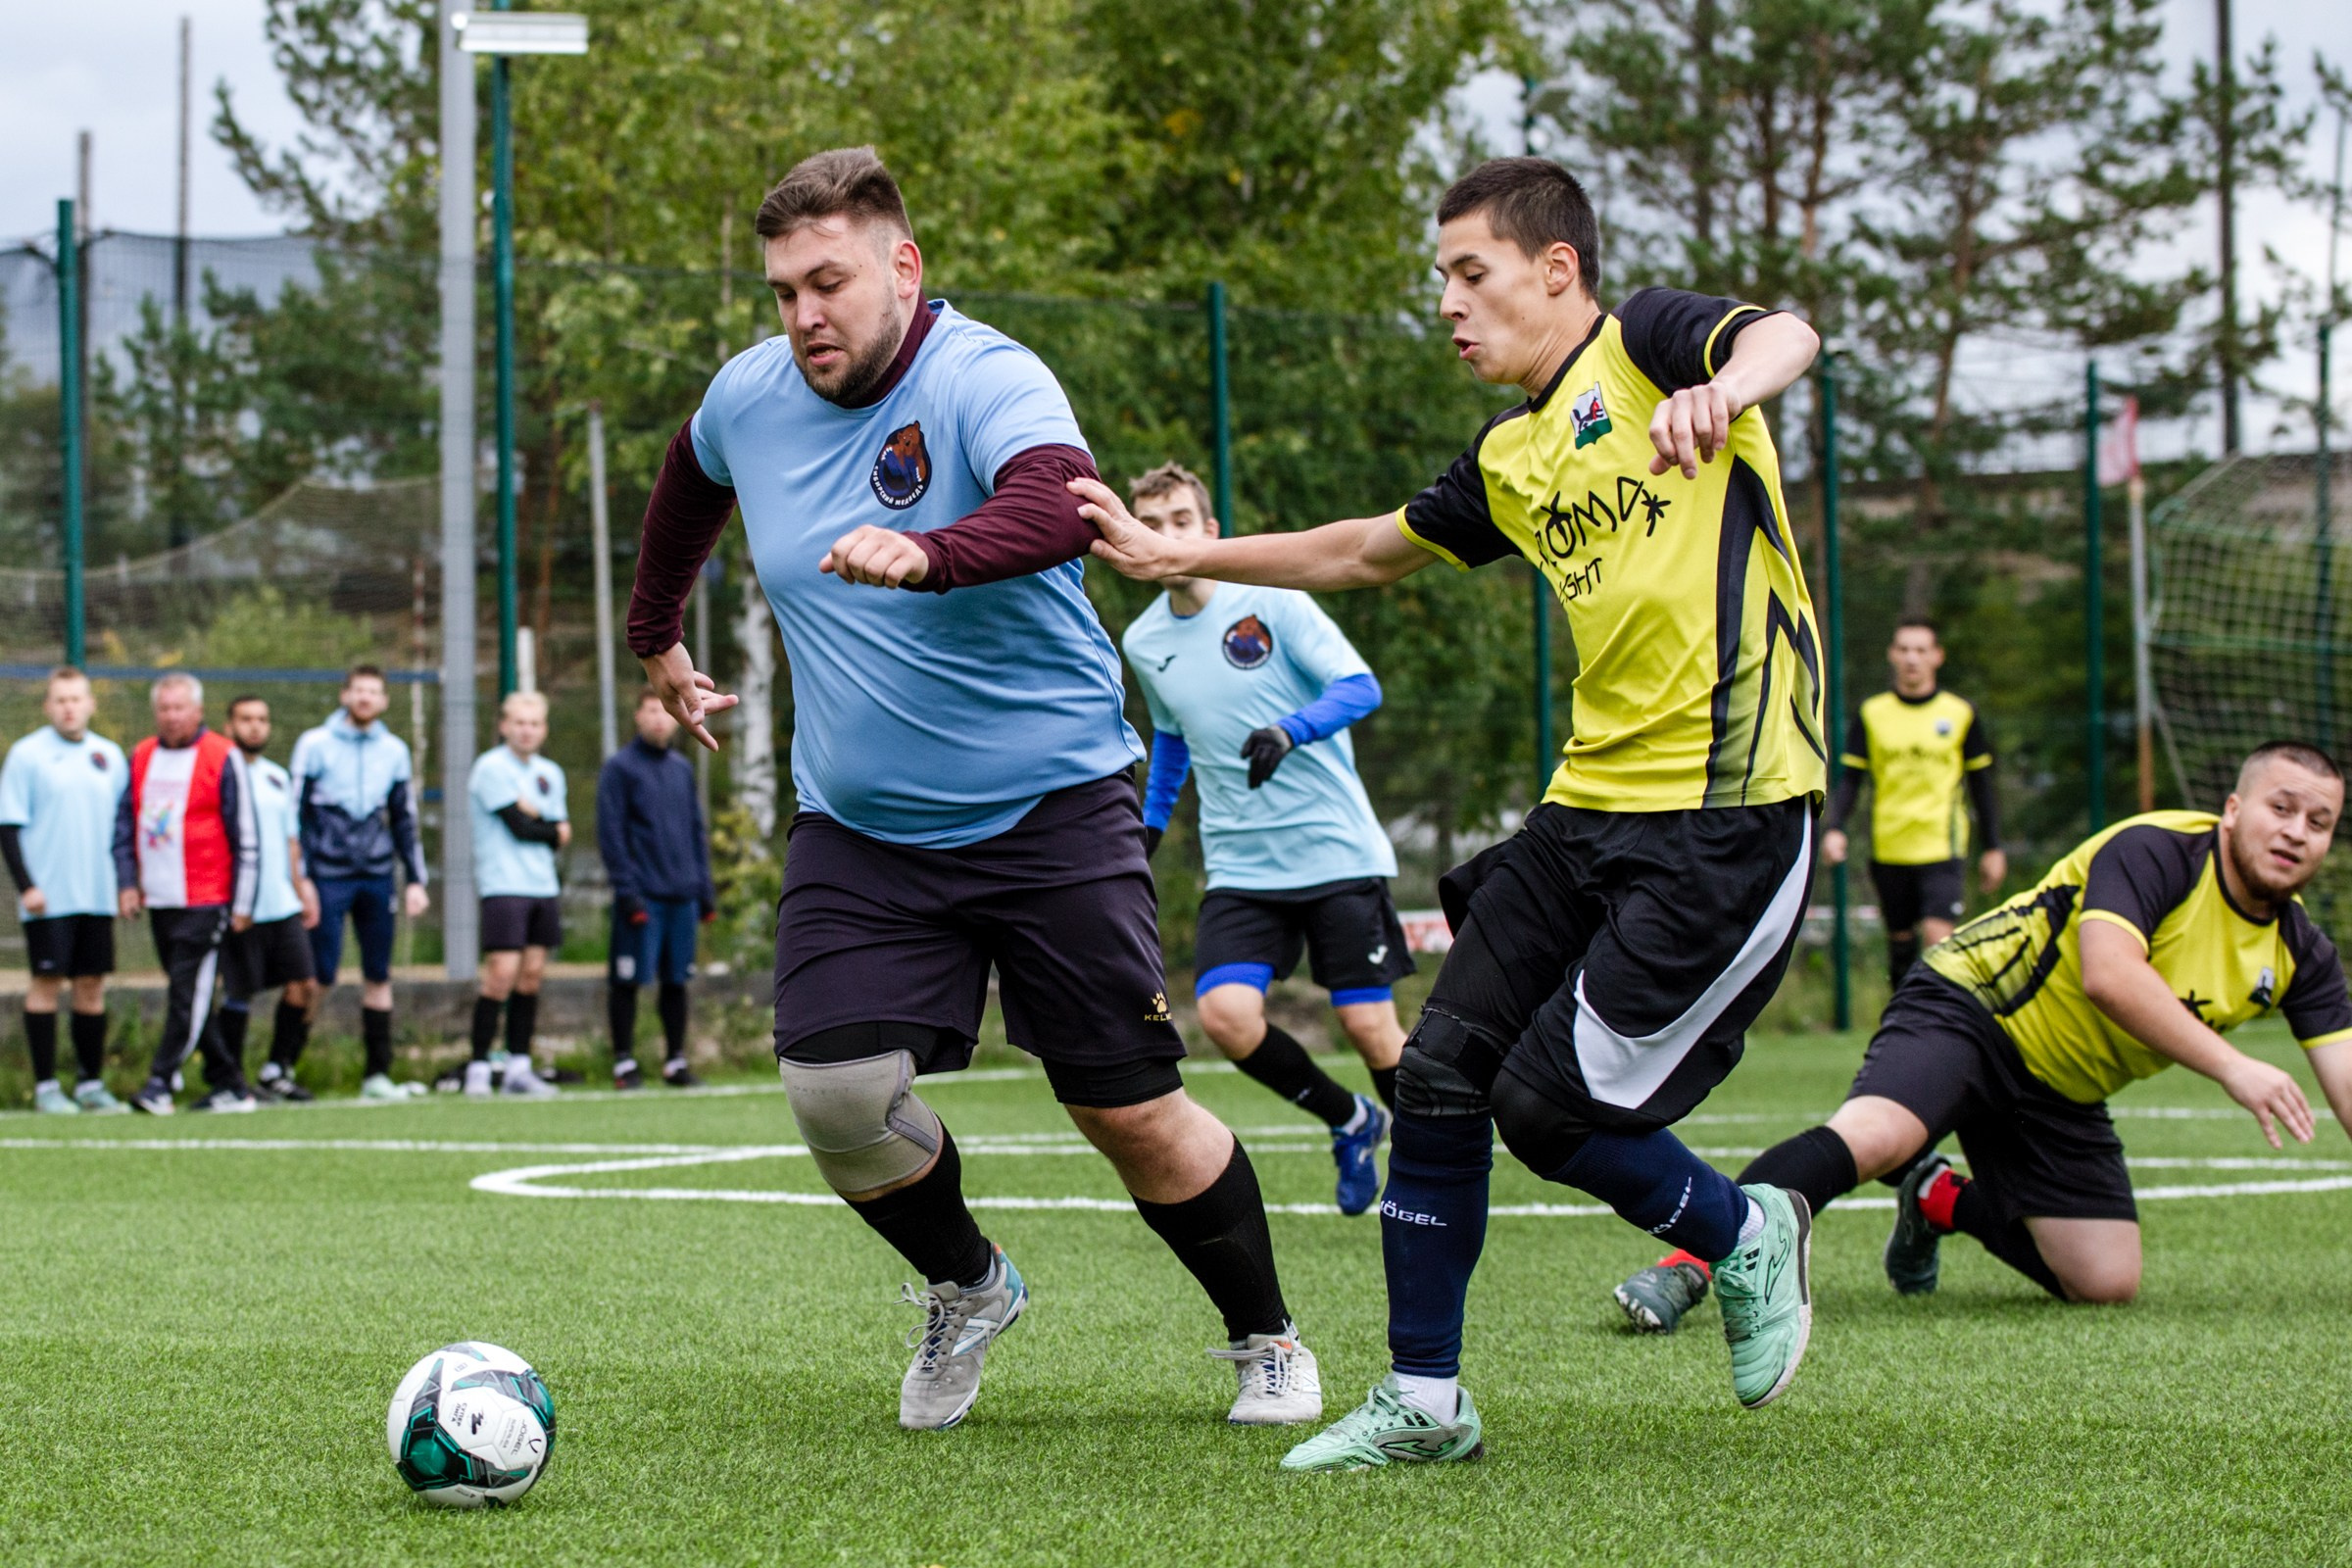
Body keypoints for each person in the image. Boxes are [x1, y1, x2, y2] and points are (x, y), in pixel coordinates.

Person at [1074, 155, 1829, 1469]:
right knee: (1436, 1075)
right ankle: (1424, 1400)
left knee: (1547, 1108)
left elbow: (1789, 334)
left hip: (1729, 812)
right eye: (1441, 278)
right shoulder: (1513, 453)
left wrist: (1728, 387)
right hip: (1584, 810)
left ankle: (1746, 1231)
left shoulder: (1649, 345)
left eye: (1471, 273)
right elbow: (1365, 549)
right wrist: (1185, 553)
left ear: (1557, 269)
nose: (1448, 303)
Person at [630, 146, 1321, 1433]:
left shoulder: (985, 375)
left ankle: (1266, 1337)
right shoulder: (750, 396)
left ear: (903, 266)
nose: (803, 315)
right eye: (783, 291)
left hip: (1052, 804)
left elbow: (1060, 507)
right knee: (835, 1095)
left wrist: (930, 551)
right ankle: (970, 1285)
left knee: (1127, 1109)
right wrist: (654, 636)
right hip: (862, 828)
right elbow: (687, 481)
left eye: (828, 282)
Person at [1613, 742, 2352, 1327]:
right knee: (1877, 1137)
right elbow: (2110, 975)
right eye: (2281, 808)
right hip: (1971, 1008)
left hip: (2060, 1089)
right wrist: (2234, 1066)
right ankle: (1692, 1262)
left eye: (2318, 823)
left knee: (2104, 1279)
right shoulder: (2158, 850)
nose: (2296, 832)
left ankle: (1935, 1196)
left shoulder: (2303, 954)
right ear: (2233, 810)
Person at [1119, 461, 1408, 1216]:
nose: (1166, 536)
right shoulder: (1145, 640)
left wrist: (1290, 729)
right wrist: (1151, 823)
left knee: (1369, 1027)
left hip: (1334, 850)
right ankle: (1351, 1119)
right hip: (1242, 865)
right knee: (1224, 1015)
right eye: (1150, 525)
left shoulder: (1273, 598)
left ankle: (1433, 1160)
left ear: (1210, 531)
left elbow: (1360, 686)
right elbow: (1171, 736)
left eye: (1180, 521)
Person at [1821, 618, 2006, 992]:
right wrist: (1835, 827)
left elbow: (1981, 785)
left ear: (1937, 656)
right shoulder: (1873, 713)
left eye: (1921, 650)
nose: (1912, 658)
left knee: (1939, 944)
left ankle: (1939, 1019)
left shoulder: (1959, 713)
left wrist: (1993, 847)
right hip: (1890, 847)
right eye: (1904, 649)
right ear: (1892, 655)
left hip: (1941, 848)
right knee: (1901, 948)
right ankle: (1904, 1019)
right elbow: (1852, 779)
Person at [117, 673, 259, 1114]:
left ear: (197, 711)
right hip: (160, 898)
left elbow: (245, 834)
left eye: (180, 708)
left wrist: (243, 902)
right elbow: (124, 825)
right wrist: (127, 883)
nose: (172, 716)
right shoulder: (142, 755)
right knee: (191, 996)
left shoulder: (222, 755)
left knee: (185, 994)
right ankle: (229, 1083)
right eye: (164, 708)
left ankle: (160, 1083)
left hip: (207, 898)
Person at [291, 664, 430, 1101]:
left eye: (374, 691)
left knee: (378, 974)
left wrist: (415, 880)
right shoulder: (314, 744)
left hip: (376, 874)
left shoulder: (394, 751)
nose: (366, 698)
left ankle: (377, 1074)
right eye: (359, 690)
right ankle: (283, 1066)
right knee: (319, 975)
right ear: (345, 695)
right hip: (326, 876)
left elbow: (404, 818)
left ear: (384, 701)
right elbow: (294, 816)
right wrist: (299, 876)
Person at [0, 667, 129, 1114]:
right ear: (47, 706)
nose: (69, 708)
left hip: (98, 895)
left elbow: (123, 829)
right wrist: (27, 886)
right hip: (49, 897)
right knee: (47, 984)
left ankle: (91, 1084)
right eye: (60, 700)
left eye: (76, 699)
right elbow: (8, 826)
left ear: (91, 704)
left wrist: (125, 885)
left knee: (91, 986)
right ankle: (46, 1088)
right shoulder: (27, 755)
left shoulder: (109, 756)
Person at [597, 688, 715, 1090]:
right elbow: (611, 836)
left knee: (676, 981)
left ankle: (675, 1062)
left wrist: (704, 891)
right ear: (638, 716)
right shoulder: (619, 768)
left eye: (665, 712)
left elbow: (696, 832)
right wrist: (627, 891)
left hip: (682, 895)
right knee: (628, 980)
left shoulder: (682, 768)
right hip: (642, 896)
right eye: (651, 710)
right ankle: (623, 1063)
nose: (659, 719)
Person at [220, 696, 321, 1102]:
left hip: (281, 903)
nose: (255, 726)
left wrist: (301, 886)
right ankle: (230, 1078)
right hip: (241, 904)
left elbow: (290, 839)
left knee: (305, 985)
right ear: (229, 726)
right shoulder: (221, 775)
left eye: (262, 719)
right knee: (239, 992)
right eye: (246, 719)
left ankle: (276, 1069)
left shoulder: (277, 776)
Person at [466, 691, 566, 1100]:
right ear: (504, 726)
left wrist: (537, 816)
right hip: (504, 885)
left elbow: (561, 834)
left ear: (544, 729)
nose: (527, 731)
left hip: (543, 885)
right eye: (519, 723)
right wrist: (542, 823)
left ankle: (518, 1067)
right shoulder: (490, 768)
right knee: (501, 975)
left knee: (531, 976)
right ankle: (477, 1067)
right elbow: (522, 828)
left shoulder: (550, 773)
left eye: (534, 724)